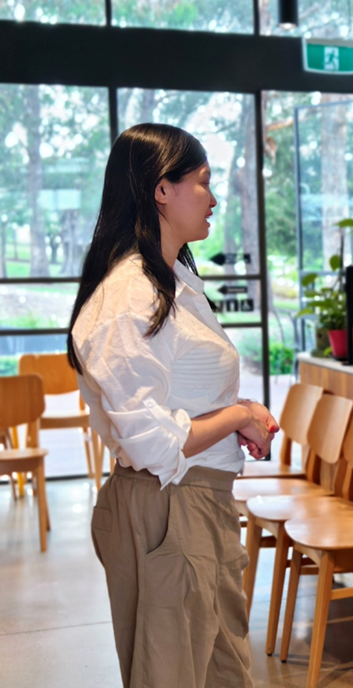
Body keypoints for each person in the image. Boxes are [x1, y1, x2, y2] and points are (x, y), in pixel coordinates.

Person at [67, 123, 278, 688]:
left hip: (195, 504)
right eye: (203, 182)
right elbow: (153, 444)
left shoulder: (172, 279)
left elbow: (177, 396)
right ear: (162, 189)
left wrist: (238, 412)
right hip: (171, 505)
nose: (214, 198)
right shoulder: (130, 293)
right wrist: (237, 417)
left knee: (219, 671)